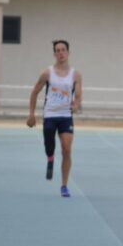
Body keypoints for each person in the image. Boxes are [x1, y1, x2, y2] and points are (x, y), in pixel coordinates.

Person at [27, 40, 82, 197]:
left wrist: (76, 105)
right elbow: (34, 93)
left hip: (65, 116)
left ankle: (64, 185)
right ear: (54, 54)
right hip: (50, 115)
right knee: (49, 146)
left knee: (66, 149)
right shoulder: (47, 73)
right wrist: (31, 114)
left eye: (63, 50)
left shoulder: (75, 75)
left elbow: (78, 95)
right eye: (57, 50)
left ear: (68, 52)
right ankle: (50, 158)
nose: (61, 53)